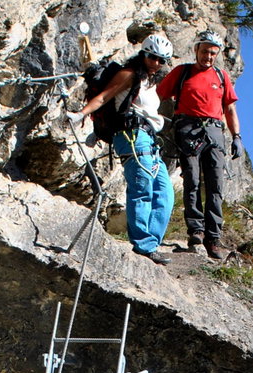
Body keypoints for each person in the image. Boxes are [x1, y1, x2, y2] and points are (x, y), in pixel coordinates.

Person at [72, 34, 177, 264]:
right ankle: (143, 245)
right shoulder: (129, 74)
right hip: (131, 135)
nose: (156, 63)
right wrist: (81, 113)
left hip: (149, 139)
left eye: (162, 60)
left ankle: (152, 242)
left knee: (165, 193)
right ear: (143, 54)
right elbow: (103, 97)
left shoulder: (150, 82)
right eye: (152, 57)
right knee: (142, 186)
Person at [157, 31, 242, 259]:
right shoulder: (182, 72)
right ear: (196, 50)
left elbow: (230, 109)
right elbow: (160, 94)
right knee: (192, 180)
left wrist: (237, 137)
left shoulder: (222, 77)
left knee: (215, 186)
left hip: (214, 131)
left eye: (213, 53)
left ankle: (213, 238)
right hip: (188, 128)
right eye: (205, 51)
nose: (208, 56)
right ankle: (196, 231)